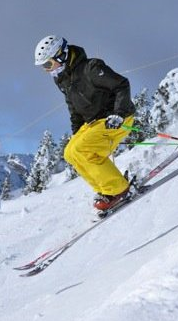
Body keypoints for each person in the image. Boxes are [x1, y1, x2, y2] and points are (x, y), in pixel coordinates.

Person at [34, 35, 135, 211]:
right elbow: (74, 109)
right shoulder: (63, 79)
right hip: (94, 123)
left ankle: (118, 190)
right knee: (70, 153)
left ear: (60, 55)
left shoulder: (91, 68)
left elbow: (121, 85)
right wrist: (77, 133)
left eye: (47, 64)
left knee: (82, 149)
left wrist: (118, 114)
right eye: (44, 67)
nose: (47, 70)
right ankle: (105, 190)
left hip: (116, 118)